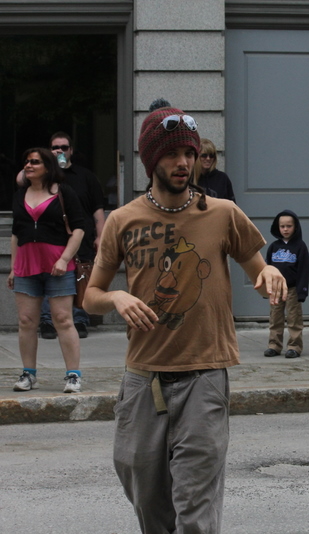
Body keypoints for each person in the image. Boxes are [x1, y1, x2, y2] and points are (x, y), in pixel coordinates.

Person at [83, 99, 287, 533]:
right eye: (173, 154)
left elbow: (258, 271)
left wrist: (269, 273)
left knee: (196, 505)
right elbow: (90, 297)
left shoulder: (223, 213)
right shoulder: (123, 220)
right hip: (143, 379)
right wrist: (116, 298)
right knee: (145, 492)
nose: (184, 163)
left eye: (189, 153)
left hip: (204, 377)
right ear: (151, 160)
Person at [8, 148, 85, 393]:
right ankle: (28, 373)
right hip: (26, 265)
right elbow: (16, 234)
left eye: (35, 162)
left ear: (47, 166)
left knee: (63, 319)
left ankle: (73, 375)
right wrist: (13, 268)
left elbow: (79, 229)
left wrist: (64, 259)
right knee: (26, 321)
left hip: (57, 266)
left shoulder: (64, 192)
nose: (28, 165)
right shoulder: (20, 195)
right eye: (26, 161)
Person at [16, 132, 106, 339]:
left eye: (64, 148)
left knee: (80, 274)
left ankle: (79, 318)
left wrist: (100, 236)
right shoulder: (39, 178)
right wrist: (42, 161)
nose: (60, 151)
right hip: (50, 238)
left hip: (80, 235)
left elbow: (97, 209)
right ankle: (47, 321)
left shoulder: (85, 176)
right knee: (48, 272)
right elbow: (20, 180)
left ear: (71, 150)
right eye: (55, 148)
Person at [263, 209, 309, 359]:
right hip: (276, 289)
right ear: (277, 227)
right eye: (282, 226)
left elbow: (304, 270)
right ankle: (274, 345)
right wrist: (266, 288)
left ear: (295, 227)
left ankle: (294, 346)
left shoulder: (300, 246)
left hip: (292, 289)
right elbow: (267, 268)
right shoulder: (273, 247)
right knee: (275, 318)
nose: (285, 229)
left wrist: (302, 291)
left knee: (294, 319)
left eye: (289, 226)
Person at [194, 138, 236, 202]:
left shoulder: (222, 178)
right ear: (197, 157)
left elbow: (232, 203)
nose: (208, 158)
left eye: (211, 156)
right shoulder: (190, 178)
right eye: (204, 155)